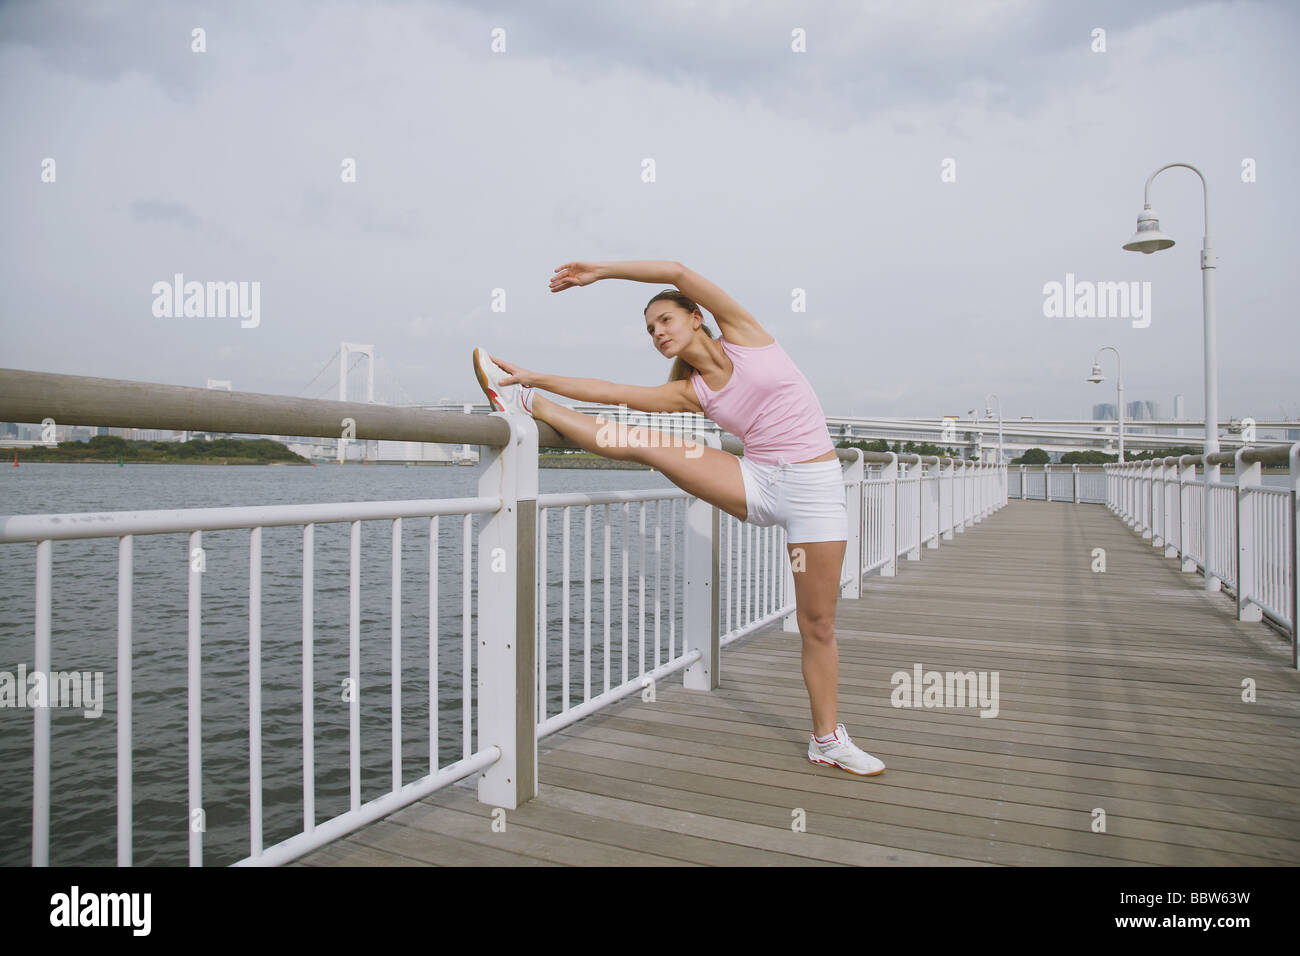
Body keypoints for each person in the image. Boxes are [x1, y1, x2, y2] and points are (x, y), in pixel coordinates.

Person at [472, 259, 884, 776]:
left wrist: (599, 273)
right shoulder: (691, 393)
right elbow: (609, 392)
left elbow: (676, 269)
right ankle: (527, 401)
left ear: (695, 317)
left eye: (664, 320)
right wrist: (534, 376)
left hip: (816, 495)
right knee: (644, 442)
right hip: (756, 483)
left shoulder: (745, 335)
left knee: (817, 623)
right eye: (649, 330)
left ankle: (826, 739)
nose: (657, 333)